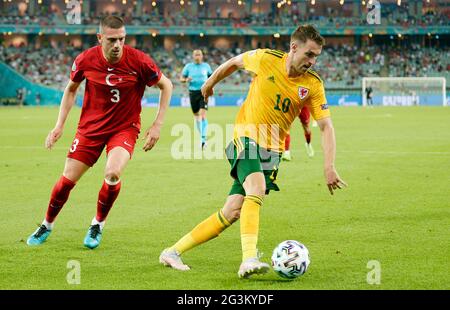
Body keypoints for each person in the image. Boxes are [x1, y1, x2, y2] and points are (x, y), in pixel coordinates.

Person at [159, 25, 346, 278]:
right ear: (294, 47)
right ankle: (248, 259)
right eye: (309, 54)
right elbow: (235, 62)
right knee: (255, 189)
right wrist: (211, 81)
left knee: (233, 211)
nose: (312, 62)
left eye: (316, 57)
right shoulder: (266, 59)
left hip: (273, 150)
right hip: (245, 138)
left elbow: (326, 126)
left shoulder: (312, 85)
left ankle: (172, 252)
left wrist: (329, 166)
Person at [26, 16, 172, 249]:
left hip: (124, 128)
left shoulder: (139, 60)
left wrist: (157, 124)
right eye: (112, 40)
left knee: (113, 173)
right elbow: (71, 89)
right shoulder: (85, 59)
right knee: (66, 181)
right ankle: (47, 224)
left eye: (121, 39)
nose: (117, 45)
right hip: (90, 129)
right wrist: (59, 125)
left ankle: (97, 224)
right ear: (100, 38)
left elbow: (167, 85)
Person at [180, 49, 212, 149]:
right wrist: (186, 80)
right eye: (196, 55)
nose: (197, 56)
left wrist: (211, 87)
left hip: (203, 92)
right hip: (192, 93)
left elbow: (212, 78)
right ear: (193, 56)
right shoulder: (188, 67)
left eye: (199, 54)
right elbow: (181, 79)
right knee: (196, 116)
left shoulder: (206, 66)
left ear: (202, 56)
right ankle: (202, 137)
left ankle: (203, 140)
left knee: (202, 115)